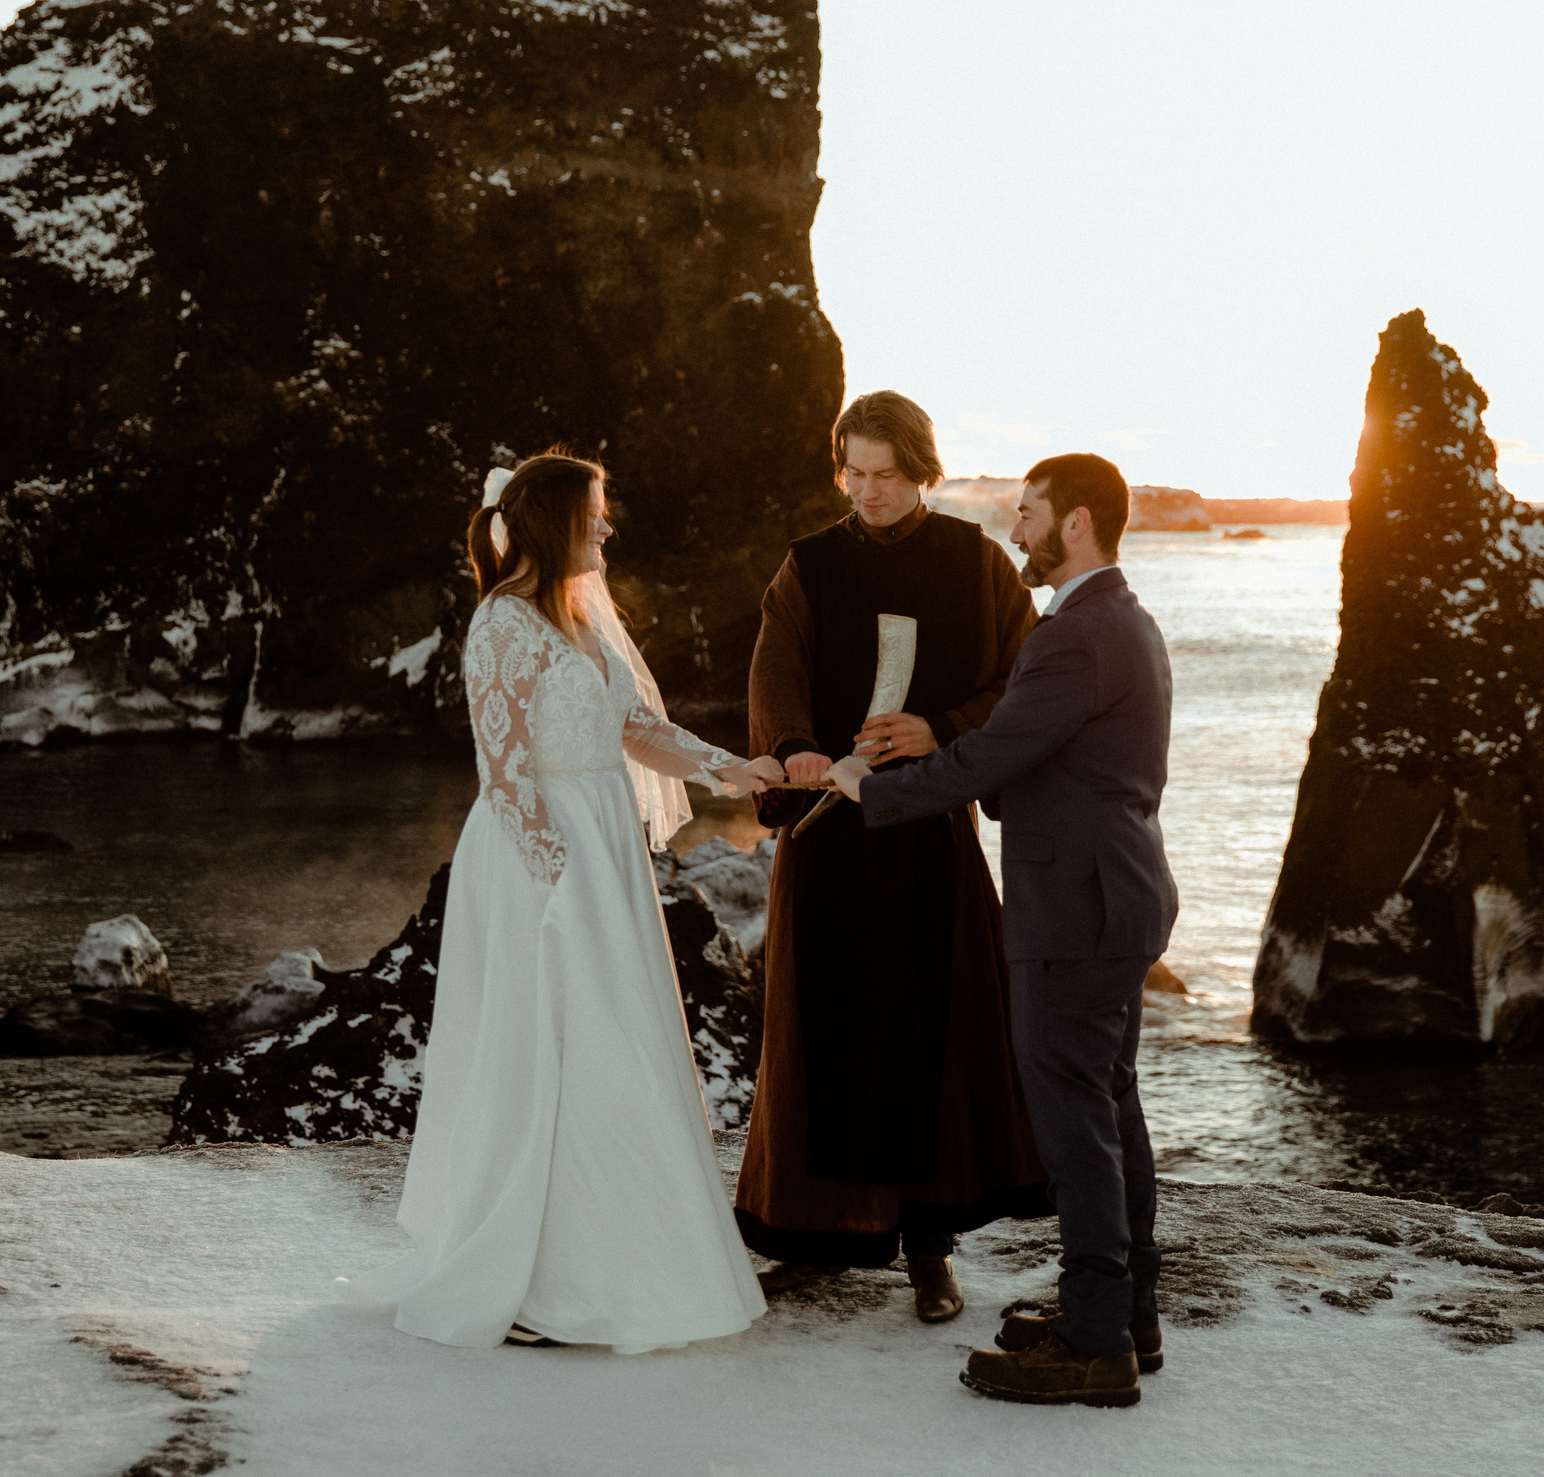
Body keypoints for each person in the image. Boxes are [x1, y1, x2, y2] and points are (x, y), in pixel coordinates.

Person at [343, 451, 784, 1352]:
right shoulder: (503, 624)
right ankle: (538, 1281)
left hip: (602, 845)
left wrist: (731, 769)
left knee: (616, 1047)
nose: (610, 527)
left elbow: (636, 729)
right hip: (536, 857)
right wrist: (558, 872)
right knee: (550, 1052)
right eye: (597, 512)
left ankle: (616, 1261)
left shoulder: (582, 617)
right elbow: (502, 771)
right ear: (555, 520)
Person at [828, 452, 1180, 1408]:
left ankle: (1096, 1340)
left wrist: (873, 789)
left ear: (1074, 524)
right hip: (1119, 896)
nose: (1013, 530)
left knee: (1077, 1123)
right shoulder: (1126, 620)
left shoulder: (1075, 635)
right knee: (1109, 1108)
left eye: (1026, 514)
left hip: (1072, 907)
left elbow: (990, 754)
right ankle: (1127, 1313)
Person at [734, 391, 1053, 1324]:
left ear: (923, 473)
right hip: (829, 837)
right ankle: (814, 1234)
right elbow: (775, 670)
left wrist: (940, 728)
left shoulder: (978, 564)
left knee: (934, 1033)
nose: (867, 491)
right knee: (819, 1030)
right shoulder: (809, 566)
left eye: (887, 474)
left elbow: (1024, 685)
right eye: (854, 473)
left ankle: (930, 1249)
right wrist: (793, 743)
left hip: (929, 841)